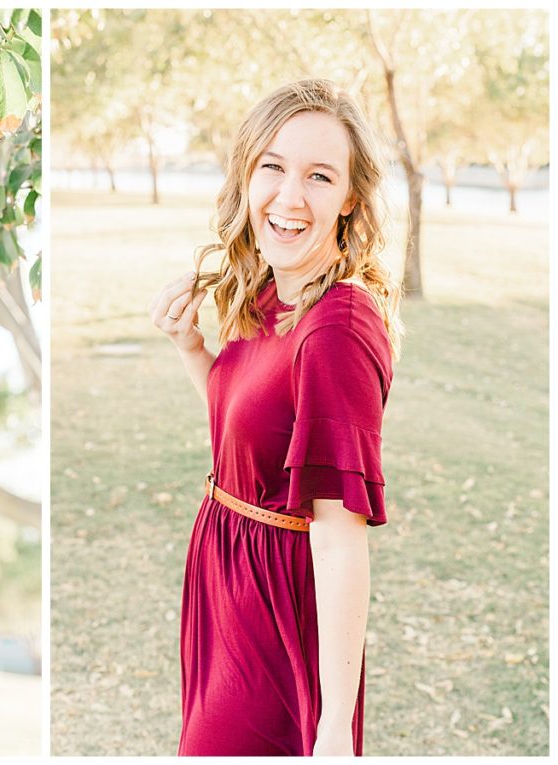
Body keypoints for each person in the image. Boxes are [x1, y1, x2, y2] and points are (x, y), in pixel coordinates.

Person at [149, 78, 404, 756]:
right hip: (223, 587)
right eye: (274, 166)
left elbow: (341, 534)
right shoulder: (271, 288)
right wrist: (193, 348)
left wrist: (332, 729)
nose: (290, 198)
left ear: (349, 198)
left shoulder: (337, 330)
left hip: (275, 615)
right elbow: (249, 434)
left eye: (319, 176)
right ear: (247, 173)